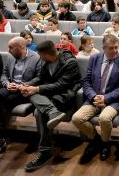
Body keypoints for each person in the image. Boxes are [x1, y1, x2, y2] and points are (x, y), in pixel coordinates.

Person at [20, 40, 81, 172]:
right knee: (29, 92)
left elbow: (62, 85)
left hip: (64, 97)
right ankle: (52, 111)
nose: (39, 58)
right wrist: (27, 85)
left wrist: (35, 89)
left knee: (38, 111)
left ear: (46, 54)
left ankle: (45, 152)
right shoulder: (46, 61)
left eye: (40, 55)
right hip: (49, 95)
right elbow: (40, 78)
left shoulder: (71, 63)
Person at [0, 37, 42, 160]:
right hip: (10, 86)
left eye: (10, 48)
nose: (8, 51)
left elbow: (40, 78)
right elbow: (4, 74)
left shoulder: (36, 58)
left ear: (20, 47)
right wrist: (7, 83)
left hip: (25, 90)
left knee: (4, 102)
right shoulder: (11, 57)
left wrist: (22, 85)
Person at [72, 35, 119, 164]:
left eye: (117, 47)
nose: (115, 51)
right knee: (76, 119)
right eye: (111, 48)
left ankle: (105, 144)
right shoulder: (94, 58)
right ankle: (96, 139)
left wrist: (106, 97)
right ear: (104, 48)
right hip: (94, 98)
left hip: (113, 100)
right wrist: (93, 96)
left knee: (104, 118)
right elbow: (86, 81)